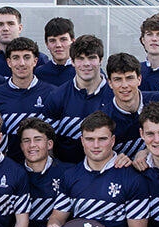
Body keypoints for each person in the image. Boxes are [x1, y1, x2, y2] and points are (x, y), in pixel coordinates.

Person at [42, 112, 148, 227]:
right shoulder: (71, 176)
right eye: (90, 139)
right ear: (82, 141)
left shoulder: (132, 178)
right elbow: (57, 217)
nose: (96, 145)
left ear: (113, 140)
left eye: (102, 139)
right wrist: (53, 226)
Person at [45, 35, 114, 163]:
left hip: (108, 172)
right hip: (67, 173)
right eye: (80, 59)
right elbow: (48, 143)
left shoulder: (115, 95)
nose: (86, 64)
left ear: (101, 60)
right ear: (72, 61)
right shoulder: (57, 96)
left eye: (92, 58)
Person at [0, 37, 53, 160]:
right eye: (16, 58)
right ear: (9, 62)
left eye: (27, 57)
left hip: (42, 168)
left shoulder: (52, 93)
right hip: (8, 167)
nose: (21, 63)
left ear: (35, 61)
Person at [17, 117, 68, 227]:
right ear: (22, 146)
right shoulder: (13, 174)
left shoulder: (68, 173)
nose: (32, 145)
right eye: (26, 141)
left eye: (38, 140)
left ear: (49, 144)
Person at [105, 52, 157, 158]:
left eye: (129, 78)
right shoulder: (104, 119)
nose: (124, 85)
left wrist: (148, 151)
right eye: (118, 79)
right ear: (110, 83)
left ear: (139, 79)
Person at [0, 7, 48, 78]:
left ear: (20, 28)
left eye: (10, 24)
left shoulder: (39, 59)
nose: (5, 28)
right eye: (0, 24)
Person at [34, 17, 76, 86]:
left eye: (63, 39)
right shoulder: (40, 74)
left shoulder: (83, 71)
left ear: (72, 42)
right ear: (47, 44)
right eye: (52, 40)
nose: (58, 45)